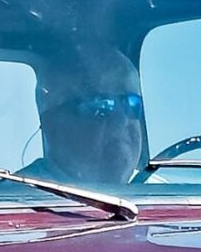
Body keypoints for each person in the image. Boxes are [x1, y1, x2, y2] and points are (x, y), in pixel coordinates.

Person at [22, 41, 147, 187]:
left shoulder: (159, 191)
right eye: (100, 107)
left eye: (131, 104)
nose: (121, 120)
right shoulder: (19, 196)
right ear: (53, 124)